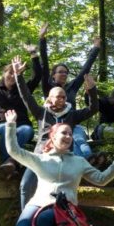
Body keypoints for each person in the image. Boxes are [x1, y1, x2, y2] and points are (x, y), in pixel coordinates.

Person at [34, 23, 100, 157]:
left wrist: (96, 48)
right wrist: (42, 39)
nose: (64, 74)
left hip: (73, 125)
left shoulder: (72, 87)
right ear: (53, 75)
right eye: (60, 72)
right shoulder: (48, 87)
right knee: (73, 143)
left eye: (66, 72)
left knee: (81, 142)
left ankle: (88, 161)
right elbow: (44, 64)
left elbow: (85, 69)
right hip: (54, 127)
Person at [16, 61, 99, 158]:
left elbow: (93, 109)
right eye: (58, 97)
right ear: (50, 98)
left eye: (64, 97)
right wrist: (18, 76)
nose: (61, 99)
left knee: (79, 142)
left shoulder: (72, 115)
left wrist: (92, 90)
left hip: (66, 156)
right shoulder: (41, 113)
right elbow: (26, 96)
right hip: (43, 155)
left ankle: (89, 160)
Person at [0, 51, 41, 176]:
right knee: (5, 129)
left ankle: (9, 161)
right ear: (4, 73)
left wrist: (34, 55)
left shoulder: (23, 89)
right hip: (3, 124)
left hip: (22, 124)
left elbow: (37, 77)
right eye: (10, 73)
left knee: (27, 131)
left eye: (15, 73)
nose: (12, 76)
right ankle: (11, 162)